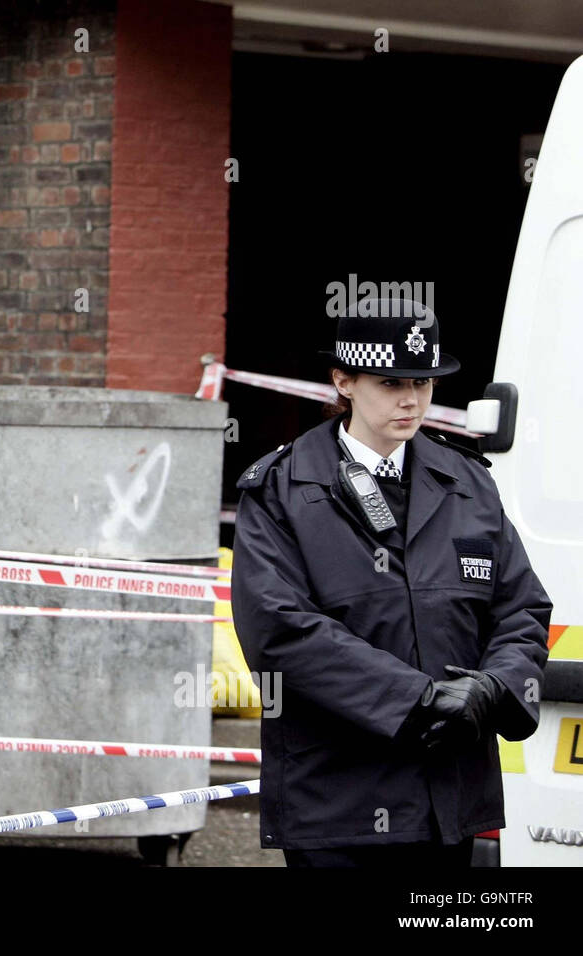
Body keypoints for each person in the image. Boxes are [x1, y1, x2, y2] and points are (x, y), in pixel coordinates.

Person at [231, 299, 552, 867]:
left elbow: (521, 608)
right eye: (390, 382)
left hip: (449, 800)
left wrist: (493, 689)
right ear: (343, 381)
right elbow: (277, 630)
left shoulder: (467, 483)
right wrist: (419, 700)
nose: (412, 399)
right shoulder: (282, 488)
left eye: (423, 382)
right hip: (338, 803)